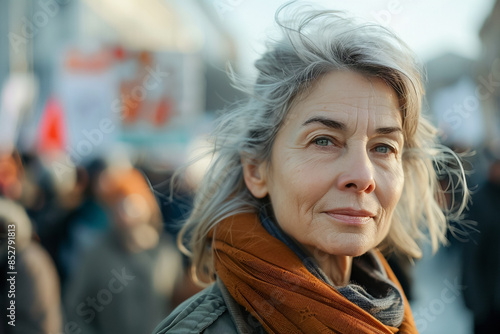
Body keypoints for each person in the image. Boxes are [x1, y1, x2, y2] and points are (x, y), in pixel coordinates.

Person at [153, 3, 469, 333]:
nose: (363, 177)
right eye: (323, 141)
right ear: (257, 170)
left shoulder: (386, 311)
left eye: (383, 148)